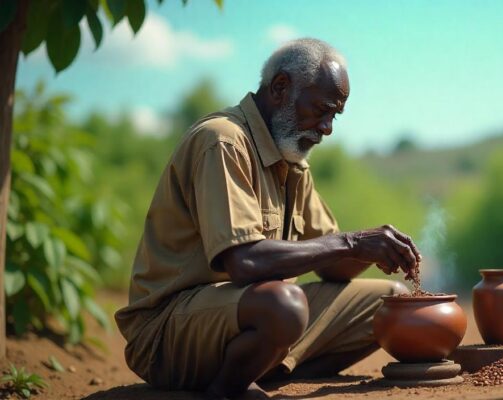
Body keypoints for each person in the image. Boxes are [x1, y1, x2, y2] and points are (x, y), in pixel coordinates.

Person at [114, 38, 422, 399]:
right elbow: (245, 262)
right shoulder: (223, 142)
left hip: (255, 317)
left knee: (392, 302)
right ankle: (228, 389)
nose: (327, 128)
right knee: (285, 306)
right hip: (168, 331)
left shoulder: (290, 160)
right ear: (280, 88)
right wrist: (351, 242)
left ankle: (263, 366)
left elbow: (332, 266)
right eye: (321, 110)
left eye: (334, 115)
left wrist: (375, 249)